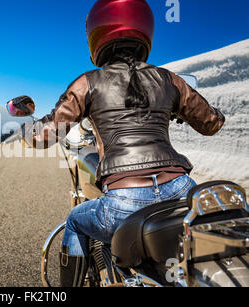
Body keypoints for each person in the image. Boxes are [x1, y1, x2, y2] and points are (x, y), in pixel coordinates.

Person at [21, 0, 225, 287]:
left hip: (124, 202)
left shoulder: (88, 82)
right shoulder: (169, 80)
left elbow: (46, 134)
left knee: (76, 220)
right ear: (144, 28)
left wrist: (26, 130)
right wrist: (188, 111)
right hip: (181, 190)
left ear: (96, 32)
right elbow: (212, 123)